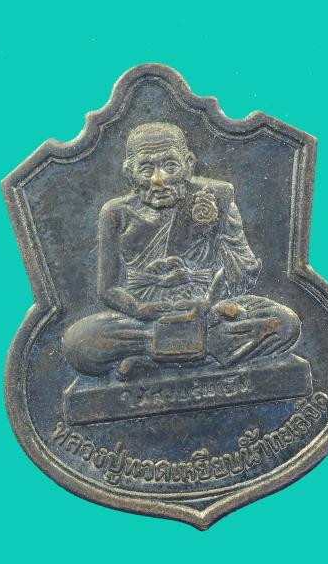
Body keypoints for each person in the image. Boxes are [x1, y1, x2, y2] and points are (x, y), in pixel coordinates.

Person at [62, 122, 300, 378]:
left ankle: (152, 357)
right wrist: (143, 310)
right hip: (145, 320)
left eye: (170, 165)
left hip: (210, 312)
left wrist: (211, 302)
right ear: (129, 172)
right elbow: (108, 289)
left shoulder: (217, 196)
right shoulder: (116, 212)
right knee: (78, 342)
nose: (158, 179)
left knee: (285, 323)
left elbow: (243, 268)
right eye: (146, 169)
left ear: (188, 163)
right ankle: (201, 351)